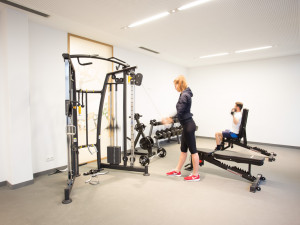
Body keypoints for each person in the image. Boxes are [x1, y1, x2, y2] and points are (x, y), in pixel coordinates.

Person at [163, 75, 200, 182]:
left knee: (193, 151)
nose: (175, 87)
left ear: (180, 84)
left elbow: (180, 111)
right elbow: (180, 110)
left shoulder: (184, 95)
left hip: (188, 126)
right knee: (183, 150)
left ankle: (195, 175)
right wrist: (171, 118)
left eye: (175, 85)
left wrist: (170, 119)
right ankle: (177, 170)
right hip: (186, 125)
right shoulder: (184, 94)